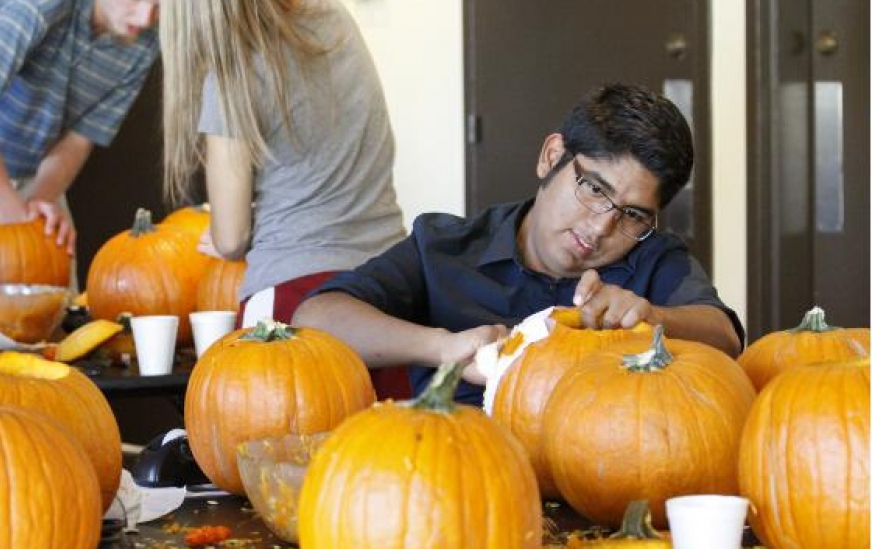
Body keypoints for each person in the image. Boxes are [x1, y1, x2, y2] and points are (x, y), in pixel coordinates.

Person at [293, 83, 745, 407]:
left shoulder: (653, 257)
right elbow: (317, 317)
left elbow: (725, 337)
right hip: (460, 478)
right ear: (552, 157)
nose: (602, 227)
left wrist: (651, 318)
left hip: (603, 478)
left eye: (631, 214)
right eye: (593, 189)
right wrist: (442, 348)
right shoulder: (445, 249)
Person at [159, 0, 406, 329]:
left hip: (297, 294)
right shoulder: (334, 17)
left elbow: (231, 239)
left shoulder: (233, 78)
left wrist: (222, 235)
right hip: (394, 280)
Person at [0, 0, 160, 266]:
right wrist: (16, 219)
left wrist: (41, 199)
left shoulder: (146, 42)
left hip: (32, 183)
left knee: (55, 300)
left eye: (160, 6)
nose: (145, 18)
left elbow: (80, 138)